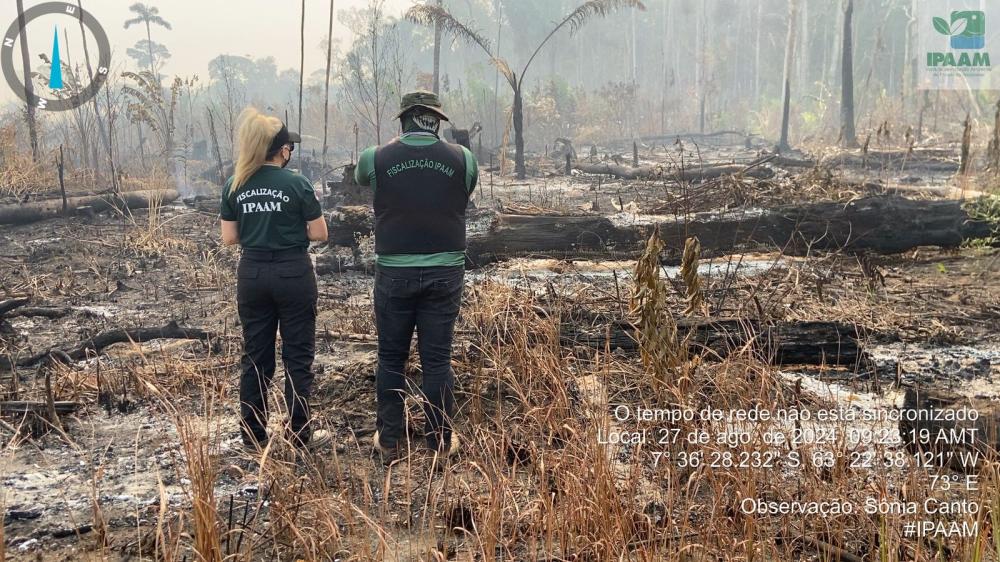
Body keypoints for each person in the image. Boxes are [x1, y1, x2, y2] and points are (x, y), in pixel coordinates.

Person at [355, 91, 478, 460]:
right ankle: (439, 441)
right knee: (437, 360)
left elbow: (363, 179)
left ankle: (390, 440)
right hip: (445, 271)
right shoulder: (463, 158)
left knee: (391, 357)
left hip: (394, 272)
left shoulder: (375, 157)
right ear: (436, 120)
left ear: (404, 118)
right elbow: (464, 190)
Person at [220, 107, 331, 453]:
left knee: (256, 355)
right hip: (292, 273)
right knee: (297, 356)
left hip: (252, 274)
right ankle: (299, 434)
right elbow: (320, 233)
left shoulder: (235, 184)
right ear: (282, 151)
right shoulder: (296, 183)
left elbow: (229, 238)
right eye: (290, 149)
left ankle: (253, 435)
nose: (291, 154)